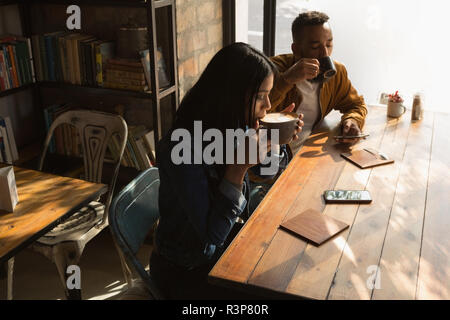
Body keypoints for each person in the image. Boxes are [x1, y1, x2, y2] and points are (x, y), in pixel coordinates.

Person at [149, 42, 303, 299]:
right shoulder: (182, 147)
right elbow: (213, 235)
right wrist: (238, 167)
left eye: (268, 94)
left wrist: (274, 139)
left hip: (223, 252)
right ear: (231, 95)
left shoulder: (231, 125)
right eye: (260, 96)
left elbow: (266, 172)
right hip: (185, 271)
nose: (268, 105)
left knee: (288, 269)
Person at [269, 10, 368, 155]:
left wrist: (352, 121)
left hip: (309, 151)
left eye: (329, 44)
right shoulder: (271, 69)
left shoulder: (337, 73)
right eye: (315, 47)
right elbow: (251, 114)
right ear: (296, 49)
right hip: (271, 157)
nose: (325, 54)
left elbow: (356, 105)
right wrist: (287, 79)